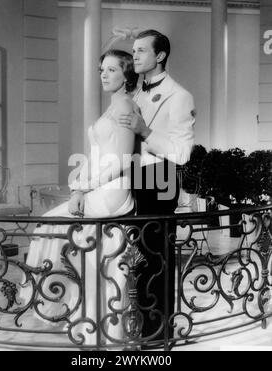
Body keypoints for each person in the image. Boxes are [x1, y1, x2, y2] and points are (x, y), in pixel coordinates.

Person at [21, 49, 139, 347]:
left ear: (127, 74)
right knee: (64, 237)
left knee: (51, 224)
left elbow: (124, 161)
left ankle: (67, 303)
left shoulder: (126, 105)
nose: (104, 74)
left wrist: (85, 189)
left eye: (112, 69)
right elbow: (94, 156)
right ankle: (80, 311)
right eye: (102, 69)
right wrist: (78, 187)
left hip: (114, 190)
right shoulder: (111, 108)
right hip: (99, 185)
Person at [119, 30, 195, 342]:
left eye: (141, 51)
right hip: (133, 176)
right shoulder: (134, 94)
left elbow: (182, 153)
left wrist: (146, 131)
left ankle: (158, 334)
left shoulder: (180, 96)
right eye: (133, 50)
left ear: (160, 55)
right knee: (133, 258)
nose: (134, 55)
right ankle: (135, 326)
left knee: (155, 260)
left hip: (159, 179)